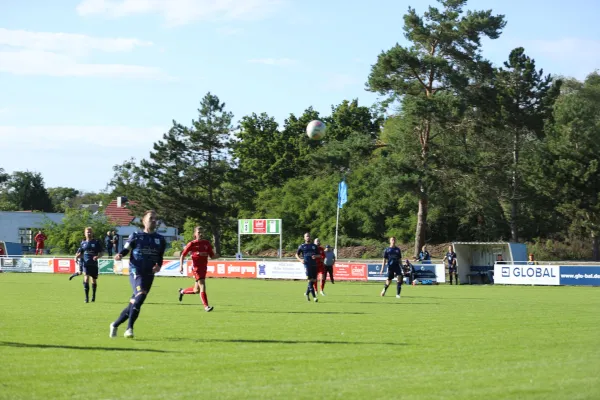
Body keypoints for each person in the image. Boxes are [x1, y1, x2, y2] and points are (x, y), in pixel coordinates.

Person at [109, 210, 166, 339]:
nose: (153, 220)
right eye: (151, 218)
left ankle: (115, 324)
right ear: (143, 220)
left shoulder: (160, 239)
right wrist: (120, 255)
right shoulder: (136, 235)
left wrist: (158, 266)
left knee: (135, 303)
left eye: (155, 218)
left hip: (149, 274)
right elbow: (126, 248)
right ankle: (129, 329)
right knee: (140, 297)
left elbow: (160, 257)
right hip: (136, 270)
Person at [178, 226, 218, 312]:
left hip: (204, 268)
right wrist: (181, 266)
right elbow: (183, 255)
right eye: (199, 232)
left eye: (202, 232)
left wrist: (218, 255)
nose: (201, 234)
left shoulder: (206, 243)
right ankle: (206, 306)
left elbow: (212, 256)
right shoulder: (192, 244)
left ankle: (182, 291)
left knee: (196, 290)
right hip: (196, 268)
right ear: (195, 234)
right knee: (202, 285)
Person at [73, 227, 103, 303]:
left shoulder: (96, 242)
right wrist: (76, 257)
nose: (89, 233)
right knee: (86, 278)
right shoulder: (83, 243)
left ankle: (93, 295)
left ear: (92, 233)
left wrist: (98, 256)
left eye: (90, 232)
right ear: (85, 233)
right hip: (86, 264)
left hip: (94, 264)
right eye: (87, 232)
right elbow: (80, 253)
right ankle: (86, 298)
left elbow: (101, 253)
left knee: (93, 280)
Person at [295, 232, 320, 302]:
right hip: (307, 265)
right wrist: (300, 260)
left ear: (310, 237)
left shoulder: (314, 246)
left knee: (314, 280)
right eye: (306, 236)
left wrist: (316, 256)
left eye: (309, 236)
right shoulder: (302, 246)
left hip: (314, 264)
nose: (308, 237)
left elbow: (319, 255)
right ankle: (314, 297)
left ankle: (306, 293)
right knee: (309, 280)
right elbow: (296, 254)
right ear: (304, 238)